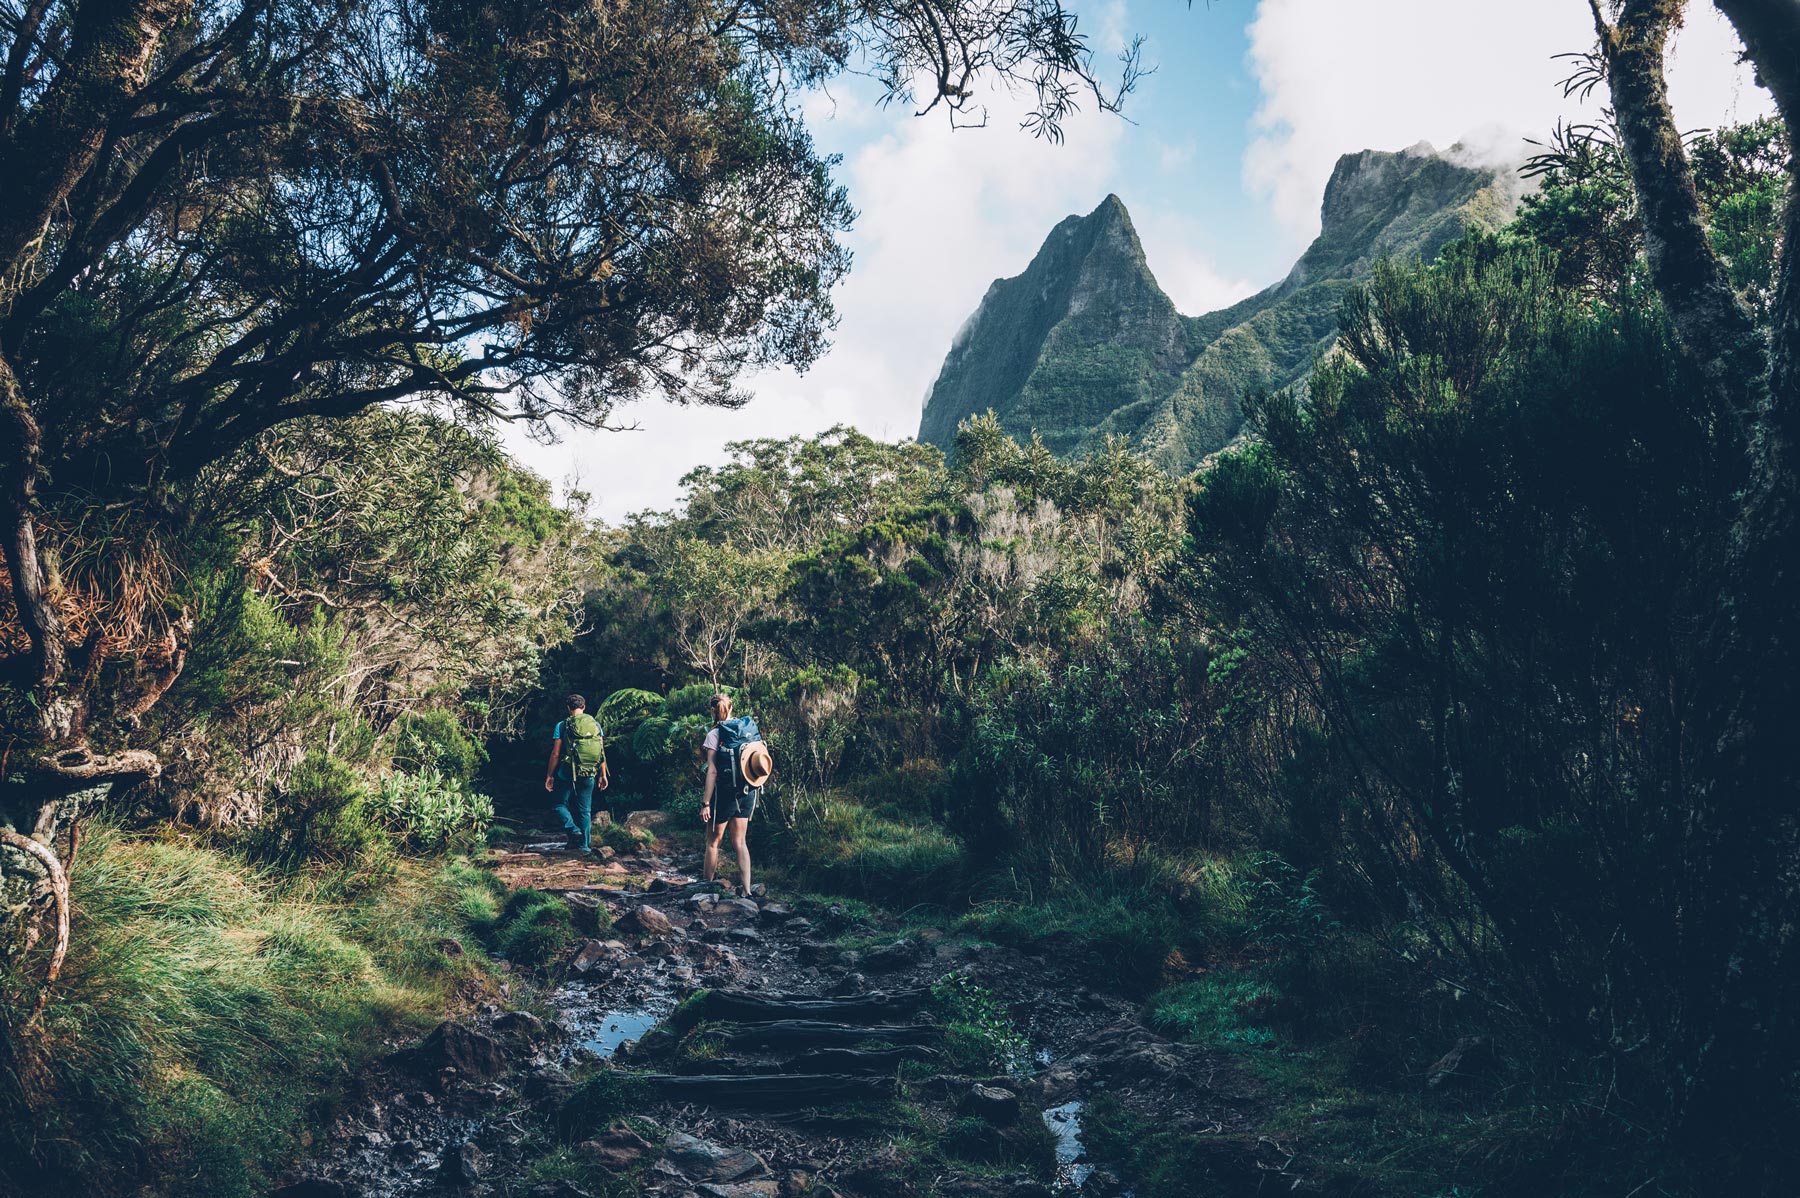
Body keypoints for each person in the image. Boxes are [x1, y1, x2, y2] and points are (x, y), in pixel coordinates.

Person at [700, 692, 770, 896]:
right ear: (731, 708)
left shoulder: (715, 734)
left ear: (713, 711)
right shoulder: (746, 729)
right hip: (747, 792)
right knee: (740, 842)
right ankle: (747, 891)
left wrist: (705, 803)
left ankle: (706, 889)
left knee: (713, 842)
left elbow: (712, 771)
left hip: (724, 795)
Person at [545, 693, 608, 853]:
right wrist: (603, 774)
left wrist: (550, 775)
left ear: (568, 708)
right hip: (590, 772)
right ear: (584, 707)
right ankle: (584, 846)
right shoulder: (595, 725)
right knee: (585, 810)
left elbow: (556, 754)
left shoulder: (562, 726)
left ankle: (573, 830)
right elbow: (601, 751)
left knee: (559, 804)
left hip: (567, 771)